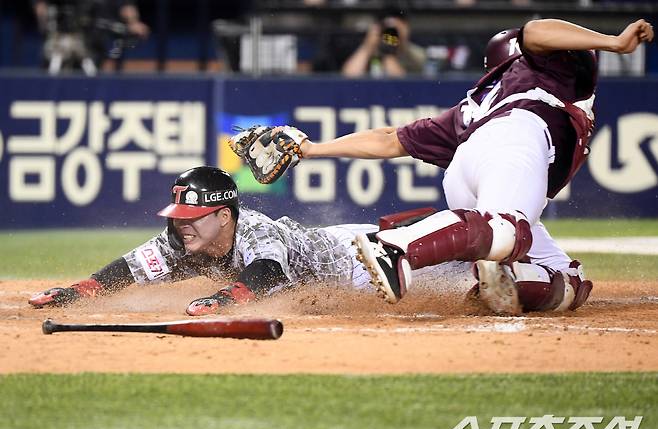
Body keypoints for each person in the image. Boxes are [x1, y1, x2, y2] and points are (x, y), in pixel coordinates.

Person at [232, 18, 654, 315]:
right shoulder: (546, 70)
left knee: (567, 278)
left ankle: (496, 282)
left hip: (469, 167)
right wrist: (613, 42)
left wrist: (313, 149)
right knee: (508, 227)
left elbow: (389, 139)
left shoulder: (471, 108)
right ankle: (396, 248)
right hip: (516, 141)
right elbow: (536, 30)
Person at [29, 166, 431, 316]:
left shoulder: (256, 229)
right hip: (333, 266)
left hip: (359, 258)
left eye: (193, 217)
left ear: (224, 216)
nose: (182, 225)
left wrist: (225, 299)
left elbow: (267, 272)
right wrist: (77, 291)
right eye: (179, 217)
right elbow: (131, 267)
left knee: (462, 264)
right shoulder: (185, 239)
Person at [342, 11, 426, 77]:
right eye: (386, 30)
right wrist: (367, 46)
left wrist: (392, 48)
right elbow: (349, 77)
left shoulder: (414, 53)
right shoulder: (370, 49)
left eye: (393, 30)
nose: (389, 34)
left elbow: (401, 85)